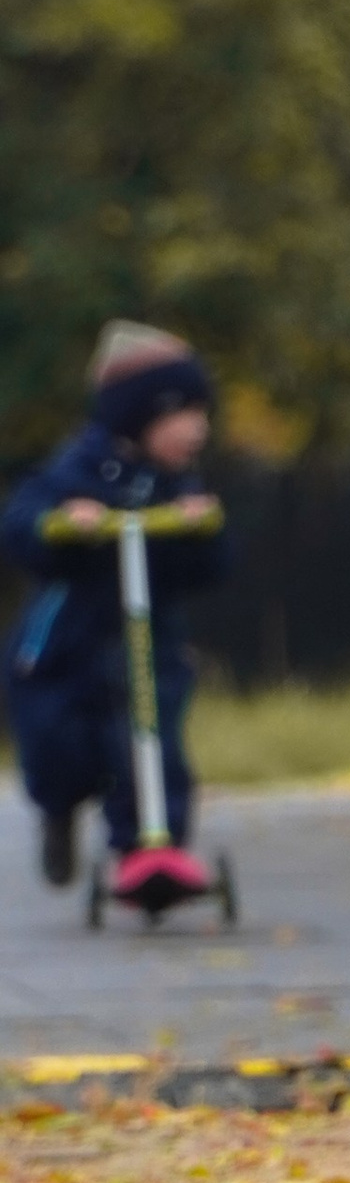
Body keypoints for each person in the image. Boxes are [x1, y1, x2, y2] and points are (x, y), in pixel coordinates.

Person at [4, 323, 227, 885]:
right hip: (66, 645)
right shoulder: (75, 469)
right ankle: (59, 811)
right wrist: (59, 524)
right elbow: (19, 527)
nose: (197, 430)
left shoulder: (178, 486)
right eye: (182, 415)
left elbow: (209, 569)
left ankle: (152, 850)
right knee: (59, 750)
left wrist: (199, 532)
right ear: (139, 415)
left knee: (153, 744)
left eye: (202, 414)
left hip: (149, 644)